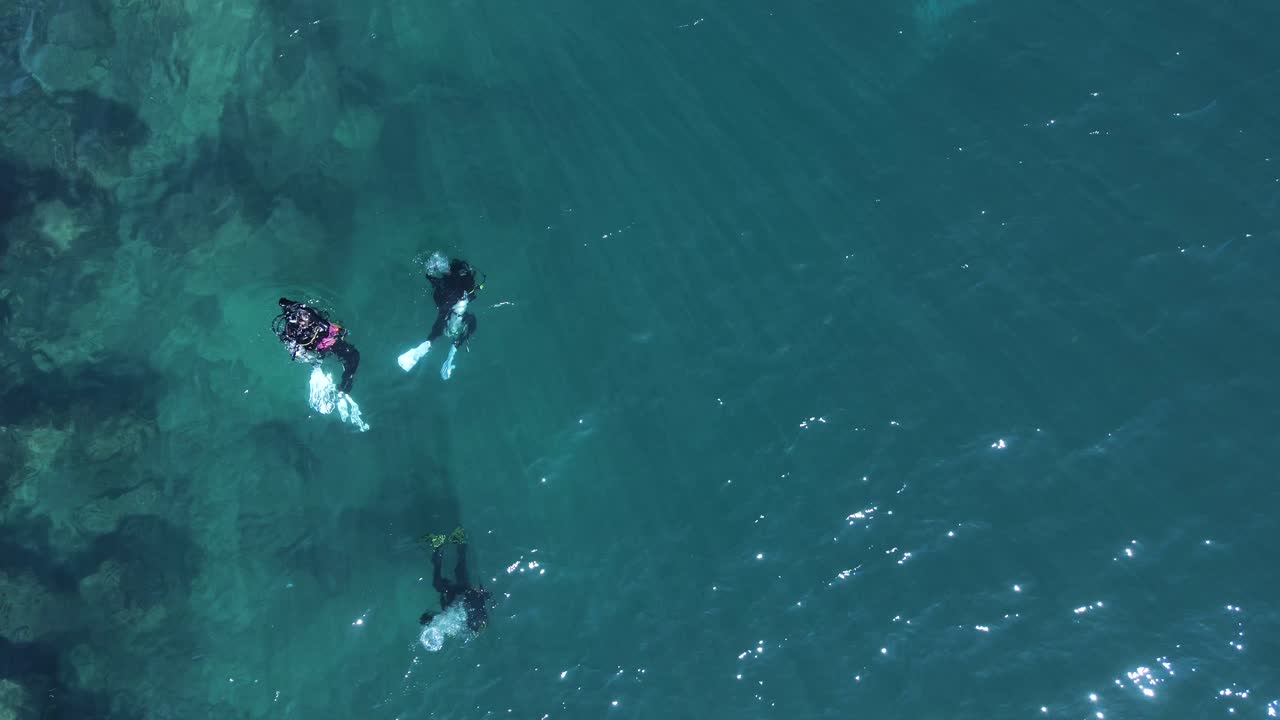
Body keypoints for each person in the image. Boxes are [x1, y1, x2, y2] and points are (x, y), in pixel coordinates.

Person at [397, 252, 483, 379]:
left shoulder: (451, 286)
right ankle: (447, 356)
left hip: (449, 303)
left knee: (439, 329)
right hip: (452, 302)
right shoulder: (462, 285)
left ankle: (429, 350)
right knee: (458, 322)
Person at [273, 298, 360, 393]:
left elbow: (284, 303)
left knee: (352, 356)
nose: (301, 320)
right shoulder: (294, 327)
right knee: (352, 356)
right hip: (320, 345)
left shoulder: (319, 325)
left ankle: (346, 380)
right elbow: (283, 303)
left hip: (322, 342)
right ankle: (346, 380)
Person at [420, 527, 491, 632]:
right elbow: (479, 599)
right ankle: (459, 542)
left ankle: (439, 546)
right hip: (465, 593)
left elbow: (445, 612)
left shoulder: (458, 622)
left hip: (458, 595)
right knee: (459, 572)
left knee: (439, 584)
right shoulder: (468, 621)